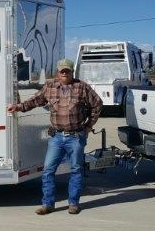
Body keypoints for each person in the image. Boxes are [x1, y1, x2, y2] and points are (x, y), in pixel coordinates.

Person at [6, 58, 103, 215]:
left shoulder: (82, 87)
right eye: (62, 71)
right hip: (56, 137)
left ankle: (73, 203)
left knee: (76, 170)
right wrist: (17, 107)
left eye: (67, 71)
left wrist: (88, 126)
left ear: (72, 72)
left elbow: (97, 104)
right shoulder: (50, 86)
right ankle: (48, 204)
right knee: (48, 170)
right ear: (58, 72)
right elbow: (35, 101)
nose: (65, 73)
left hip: (76, 137)